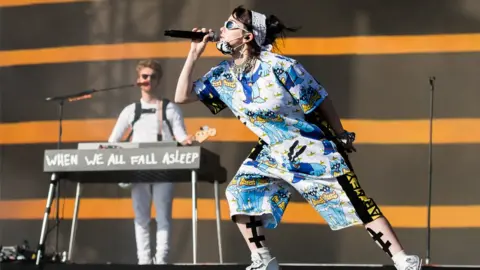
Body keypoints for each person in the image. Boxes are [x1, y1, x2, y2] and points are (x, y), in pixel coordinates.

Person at [173, 6, 422, 270]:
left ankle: (402, 259)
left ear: (248, 37)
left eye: (230, 25)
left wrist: (341, 135)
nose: (222, 29)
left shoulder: (281, 66)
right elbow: (181, 96)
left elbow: (320, 99)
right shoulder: (223, 75)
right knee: (239, 191)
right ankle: (263, 259)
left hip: (310, 146)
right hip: (271, 149)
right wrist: (193, 53)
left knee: (355, 201)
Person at [108, 59, 192, 265]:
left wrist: (188, 141)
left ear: (158, 81)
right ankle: (144, 261)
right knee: (141, 217)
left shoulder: (170, 108)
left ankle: (161, 260)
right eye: (145, 76)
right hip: (137, 169)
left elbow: (181, 136)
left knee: (163, 216)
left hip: (164, 167)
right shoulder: (130, 110)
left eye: (153, 77)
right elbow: (113, 141)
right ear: (138, 79)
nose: (148, 80)